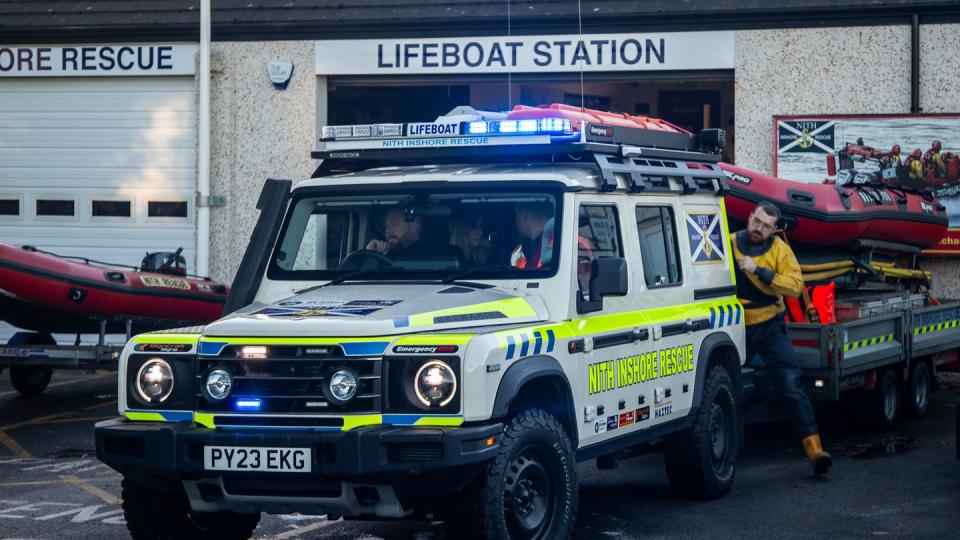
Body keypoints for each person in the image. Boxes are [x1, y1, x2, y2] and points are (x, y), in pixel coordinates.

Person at [733, 201, 832, 476]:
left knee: (792, 384)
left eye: (765, 226)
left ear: (774, 229)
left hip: (769, 327)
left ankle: (815, 452)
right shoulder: (728, 243)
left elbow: (795, 285)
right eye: (756, 222)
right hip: (735, 328)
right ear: (749, 217)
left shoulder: (779, 250)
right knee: (726, 387)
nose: (758, 229)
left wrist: (759, 270)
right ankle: (725, 451)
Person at [509, 202, 554, 269]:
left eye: (516, 216)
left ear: (524, 217)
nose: (515, 221)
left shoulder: (556, 247)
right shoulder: (518, 252)